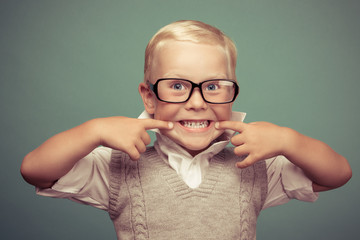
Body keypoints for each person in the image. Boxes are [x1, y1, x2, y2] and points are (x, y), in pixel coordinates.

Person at [21, 20, 352, 239]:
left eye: (214, 86)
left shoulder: (256, 165)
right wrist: (91, 131)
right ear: (149, 97)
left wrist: (288, 140)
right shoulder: (119, 167)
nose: (196, 102)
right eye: (177, 85)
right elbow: (36, 171)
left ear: (232, 91)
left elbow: (337, 175)